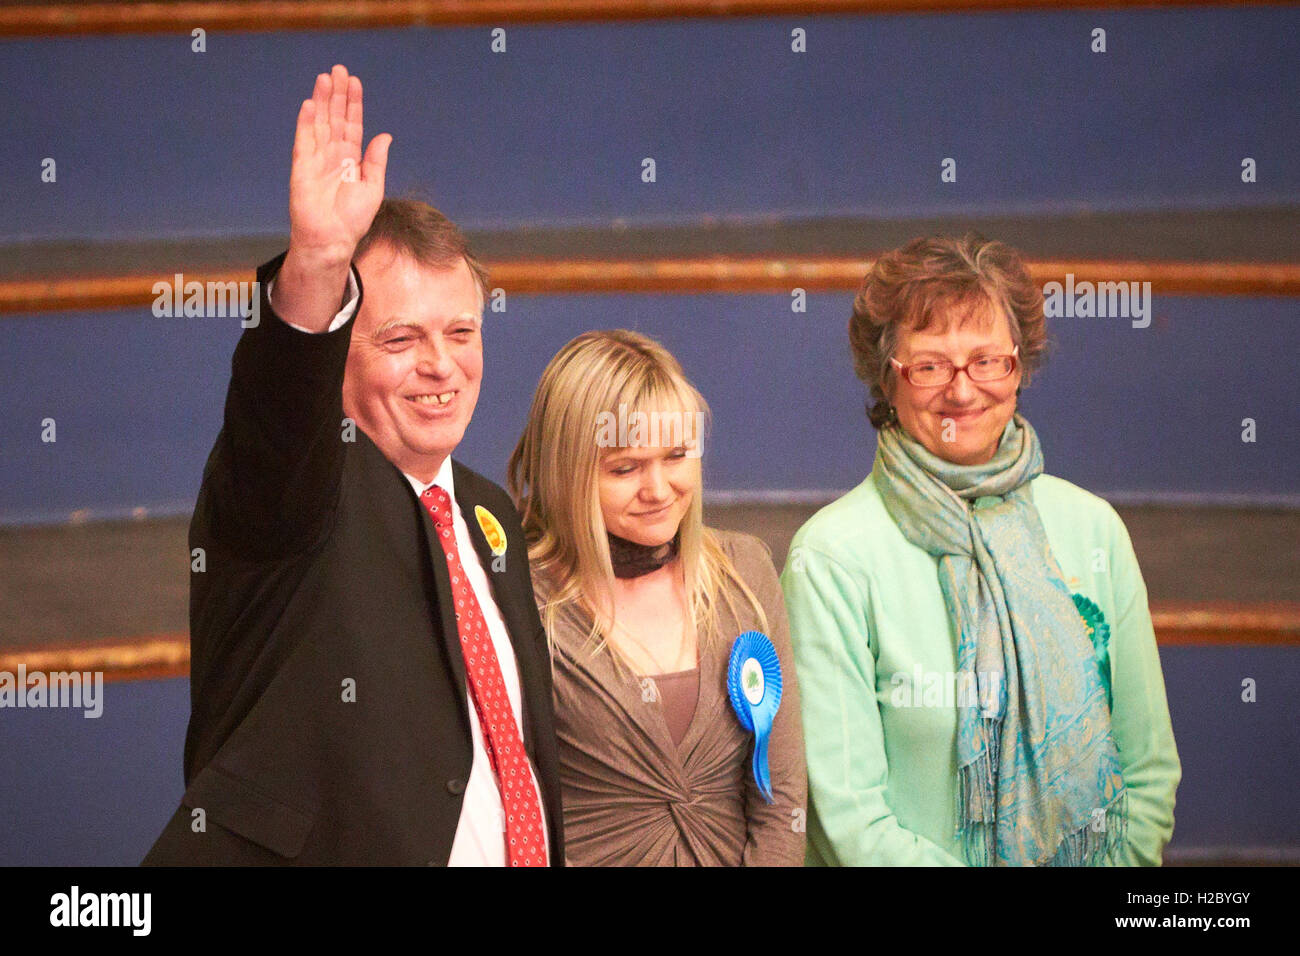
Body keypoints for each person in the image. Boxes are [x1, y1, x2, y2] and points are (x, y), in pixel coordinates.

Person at [143, 65, 563, 865]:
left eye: (462, 334)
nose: (441, 366)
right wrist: (318, 268)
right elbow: (277, 409)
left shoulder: (487, 511)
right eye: (401, 340)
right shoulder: (298, 489)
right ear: (340, 350)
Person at [782, 234, 1180, 866]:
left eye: (987, 361)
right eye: (931, 365)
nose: (962, 392)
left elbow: (1149, 772)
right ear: (888, 379)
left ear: (1019, 366)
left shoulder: (1093, 529)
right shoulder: (831, 558)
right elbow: (847, 820)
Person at [507, 330, 806, 865]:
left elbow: (781, 801)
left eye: (676, 456)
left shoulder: (745, 569)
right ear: (564, 472)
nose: (660, 489)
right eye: (625, 468)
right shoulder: (519, 594)